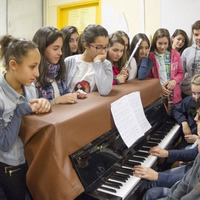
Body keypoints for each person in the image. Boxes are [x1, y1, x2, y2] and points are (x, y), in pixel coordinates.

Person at [0, 35, 51, 200]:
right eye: (32, 67)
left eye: (38, 66)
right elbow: (5, 144)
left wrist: (44, 103)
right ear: (13, 65)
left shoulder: (28, 87)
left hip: (31, 156)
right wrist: (20, 111)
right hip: (11, 165)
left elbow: (32, 116)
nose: (37, 73)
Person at [142, 98, 200, 200]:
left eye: (199, 116)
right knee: (151, 193)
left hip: (189, 193)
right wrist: (167, 153)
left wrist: (158, 176)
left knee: (152, 185)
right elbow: (187, 181)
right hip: (188, 180)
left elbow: (191, 191)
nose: (195, 118)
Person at [33, 26, 86, 105]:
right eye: (55, 49)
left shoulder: (57, 70)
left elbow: (63, 95)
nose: (60, 53)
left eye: (61, 48)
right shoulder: (33, 76)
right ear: (42, 49)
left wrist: (74, 94)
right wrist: (56, 101)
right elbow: (31, 107)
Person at [64, 24, 113, 95]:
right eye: (99, 47)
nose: (103, 51)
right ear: (86, 45)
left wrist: (97, 62)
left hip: (90, 105)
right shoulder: (69, 61)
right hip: (71, 104)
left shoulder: (106, 64)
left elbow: (104, 91)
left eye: (106, 47)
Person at [140, 28, 184, 105]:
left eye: (165, 43)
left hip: (175, 96)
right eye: (160, 43)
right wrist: (159, 88)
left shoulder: (176, 54)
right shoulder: (151, 56)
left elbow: (181, 73)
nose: (163, 47)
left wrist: (174, 81)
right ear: (155, 42)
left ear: (169, 42)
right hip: (158, 96)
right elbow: (148, 78)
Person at [173, 74, 200, 147]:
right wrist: (184, 122)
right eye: (194, 93)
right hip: (188, 142)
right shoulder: (189, 101)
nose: (196, 97)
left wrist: (197, 139)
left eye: (199, 93)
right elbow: (177, 109)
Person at [181, 20, 200, 98]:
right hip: (187, 92)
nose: (199, 37)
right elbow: (180, 72)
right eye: (196, 34)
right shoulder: (187, 51)